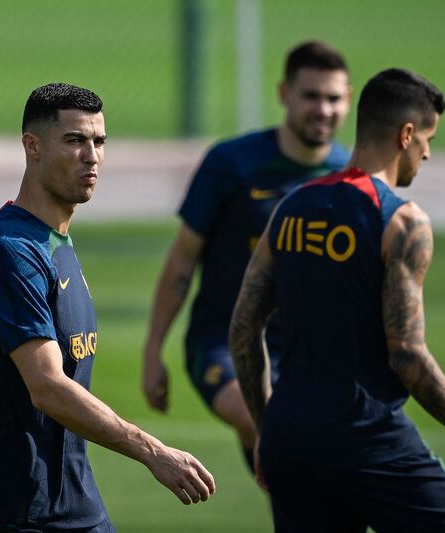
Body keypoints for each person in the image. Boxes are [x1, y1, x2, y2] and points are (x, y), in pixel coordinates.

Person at [229, 68, 445, 532]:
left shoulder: (292, 207)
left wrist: (269, 431)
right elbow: (406, 354)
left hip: (291, 437)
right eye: (427, 138)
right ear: (407, 134)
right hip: (369, 441)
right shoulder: (403, 223)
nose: (428, 154)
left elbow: (244, 325)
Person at [0, 83, 216, 533]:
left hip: (74, 503)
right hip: (16, 510)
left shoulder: (56, 242)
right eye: (74, 140)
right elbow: (47, 387)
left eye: (99, 141)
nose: (91, 155)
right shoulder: (10, 250)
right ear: (32, 146)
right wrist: (153, 452)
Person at [142, 40, 351, 471]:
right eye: (311, 95)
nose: (323, 109)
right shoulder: (231, 163)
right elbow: (183, 259)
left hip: (305, 357)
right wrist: (152, 350)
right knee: (278, 431)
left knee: (296, 480)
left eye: (333, 98)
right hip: (222, 345)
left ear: (348, 100)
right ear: (284, 94)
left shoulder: (351, 178)